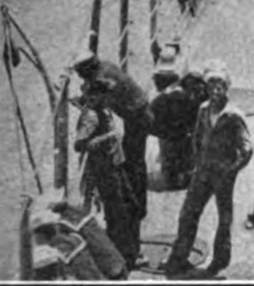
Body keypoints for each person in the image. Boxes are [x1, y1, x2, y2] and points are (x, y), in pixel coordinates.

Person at [161, 62, 253, 278]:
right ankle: (179, 258)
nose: (215, 90)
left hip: (223, 174)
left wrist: (232, 170)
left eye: (220, 85)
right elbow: (197, 136)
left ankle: (220, 259)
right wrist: (196, 161)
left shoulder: (233, 115)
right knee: (188, 214)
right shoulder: (203, 109)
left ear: (226, 88)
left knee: (224, 218)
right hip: (202, 171)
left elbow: (247, 149)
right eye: (211, 85)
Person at [72, 50, 152, 250]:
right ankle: (135, 211)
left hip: (137, 116)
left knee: (135, 168)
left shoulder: (103, 80)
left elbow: (103, 93)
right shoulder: (105, 68)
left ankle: (137, 209)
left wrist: (86, 105)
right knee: (133, 168)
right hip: (136, 112)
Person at [73, 83, 142, 269]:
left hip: (117, 165)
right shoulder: (93, 116)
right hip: (105, 171)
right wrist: (107, 136)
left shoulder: (104, 110)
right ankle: (124, 257)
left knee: (131, 207)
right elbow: (79, 145)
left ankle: (127, 251)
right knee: (118, 214)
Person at [149, 50, 201, 190]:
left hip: (170, 133)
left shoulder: (160, 99)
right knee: (184, 154)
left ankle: (173, 175)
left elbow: (151, 119)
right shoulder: (186, 93)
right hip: (183, 131)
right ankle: (185, 174)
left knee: (170, 155)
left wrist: (162, 132)